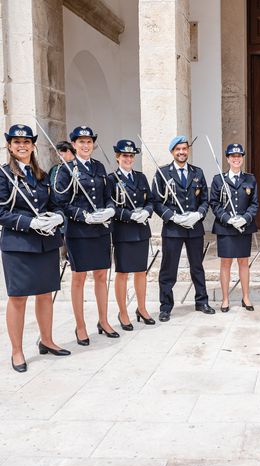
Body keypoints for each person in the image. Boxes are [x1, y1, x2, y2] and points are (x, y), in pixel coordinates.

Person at [0, 124, 68, 372]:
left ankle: (47, 340)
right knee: (18, 297)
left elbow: (56, 204)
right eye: (16, 141)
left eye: (26, 142)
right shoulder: (3, 175)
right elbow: (1, 212)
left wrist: (57, 217)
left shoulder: (41, 175)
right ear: (9, 145)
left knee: (45, 293)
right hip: (18, 244)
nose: (22, 145)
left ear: (33, 145)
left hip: (45, 243)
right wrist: (30, 222)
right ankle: (17, 351)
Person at [53, 125, 117, 344]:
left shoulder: (99, 167)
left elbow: (108, 195)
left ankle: (103, 320)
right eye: (81, 142)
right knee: (79, 278)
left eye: (89, 142)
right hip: (79, 231)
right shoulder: (65, 169)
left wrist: (109, 209)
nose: (85, 145)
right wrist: (84, 215)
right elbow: (61, 202)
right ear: (73, 145)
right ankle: (80, 327)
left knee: (101, 275)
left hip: (100, 229)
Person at [152, 135, 215, 321]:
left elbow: (205, 199)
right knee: (168, 268)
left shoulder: (197, 172)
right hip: (173, 228)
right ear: (172, 152)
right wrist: (173, 217)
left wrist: (199, 214)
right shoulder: (163, 173)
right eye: (178, 149)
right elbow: (156, 201)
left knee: (197, 266)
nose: (181, 152)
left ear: (188, 150)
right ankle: (165, 306)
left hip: (194, 227)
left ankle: (202, 301)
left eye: (184, 149)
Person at [107, 139, 156, 330]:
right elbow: (110, 206)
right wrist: (129, 215)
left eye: (131, 155)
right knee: (123, 273)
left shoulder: (141, 178)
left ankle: (142, 308)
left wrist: (146, 212)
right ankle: (123, 312)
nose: (128, 158)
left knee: (140, 272)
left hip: (141, 230)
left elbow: (150, 200)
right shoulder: (111, 179)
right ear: (117, 157)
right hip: (123, 231)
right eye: (124, 155)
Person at [209, 143, 258, 312]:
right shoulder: (218, 179)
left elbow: (254, 204)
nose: (236, 159)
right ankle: (225, 299)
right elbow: (214, 204)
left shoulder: (250, 179)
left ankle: (246, 297)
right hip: (225, 227)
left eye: (239, 156)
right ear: (228, 159)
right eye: (233, 156)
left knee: (243, 262)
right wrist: (228, 219)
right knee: (226, 263)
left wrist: (245, 219)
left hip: (244, 227)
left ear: (242, 158)